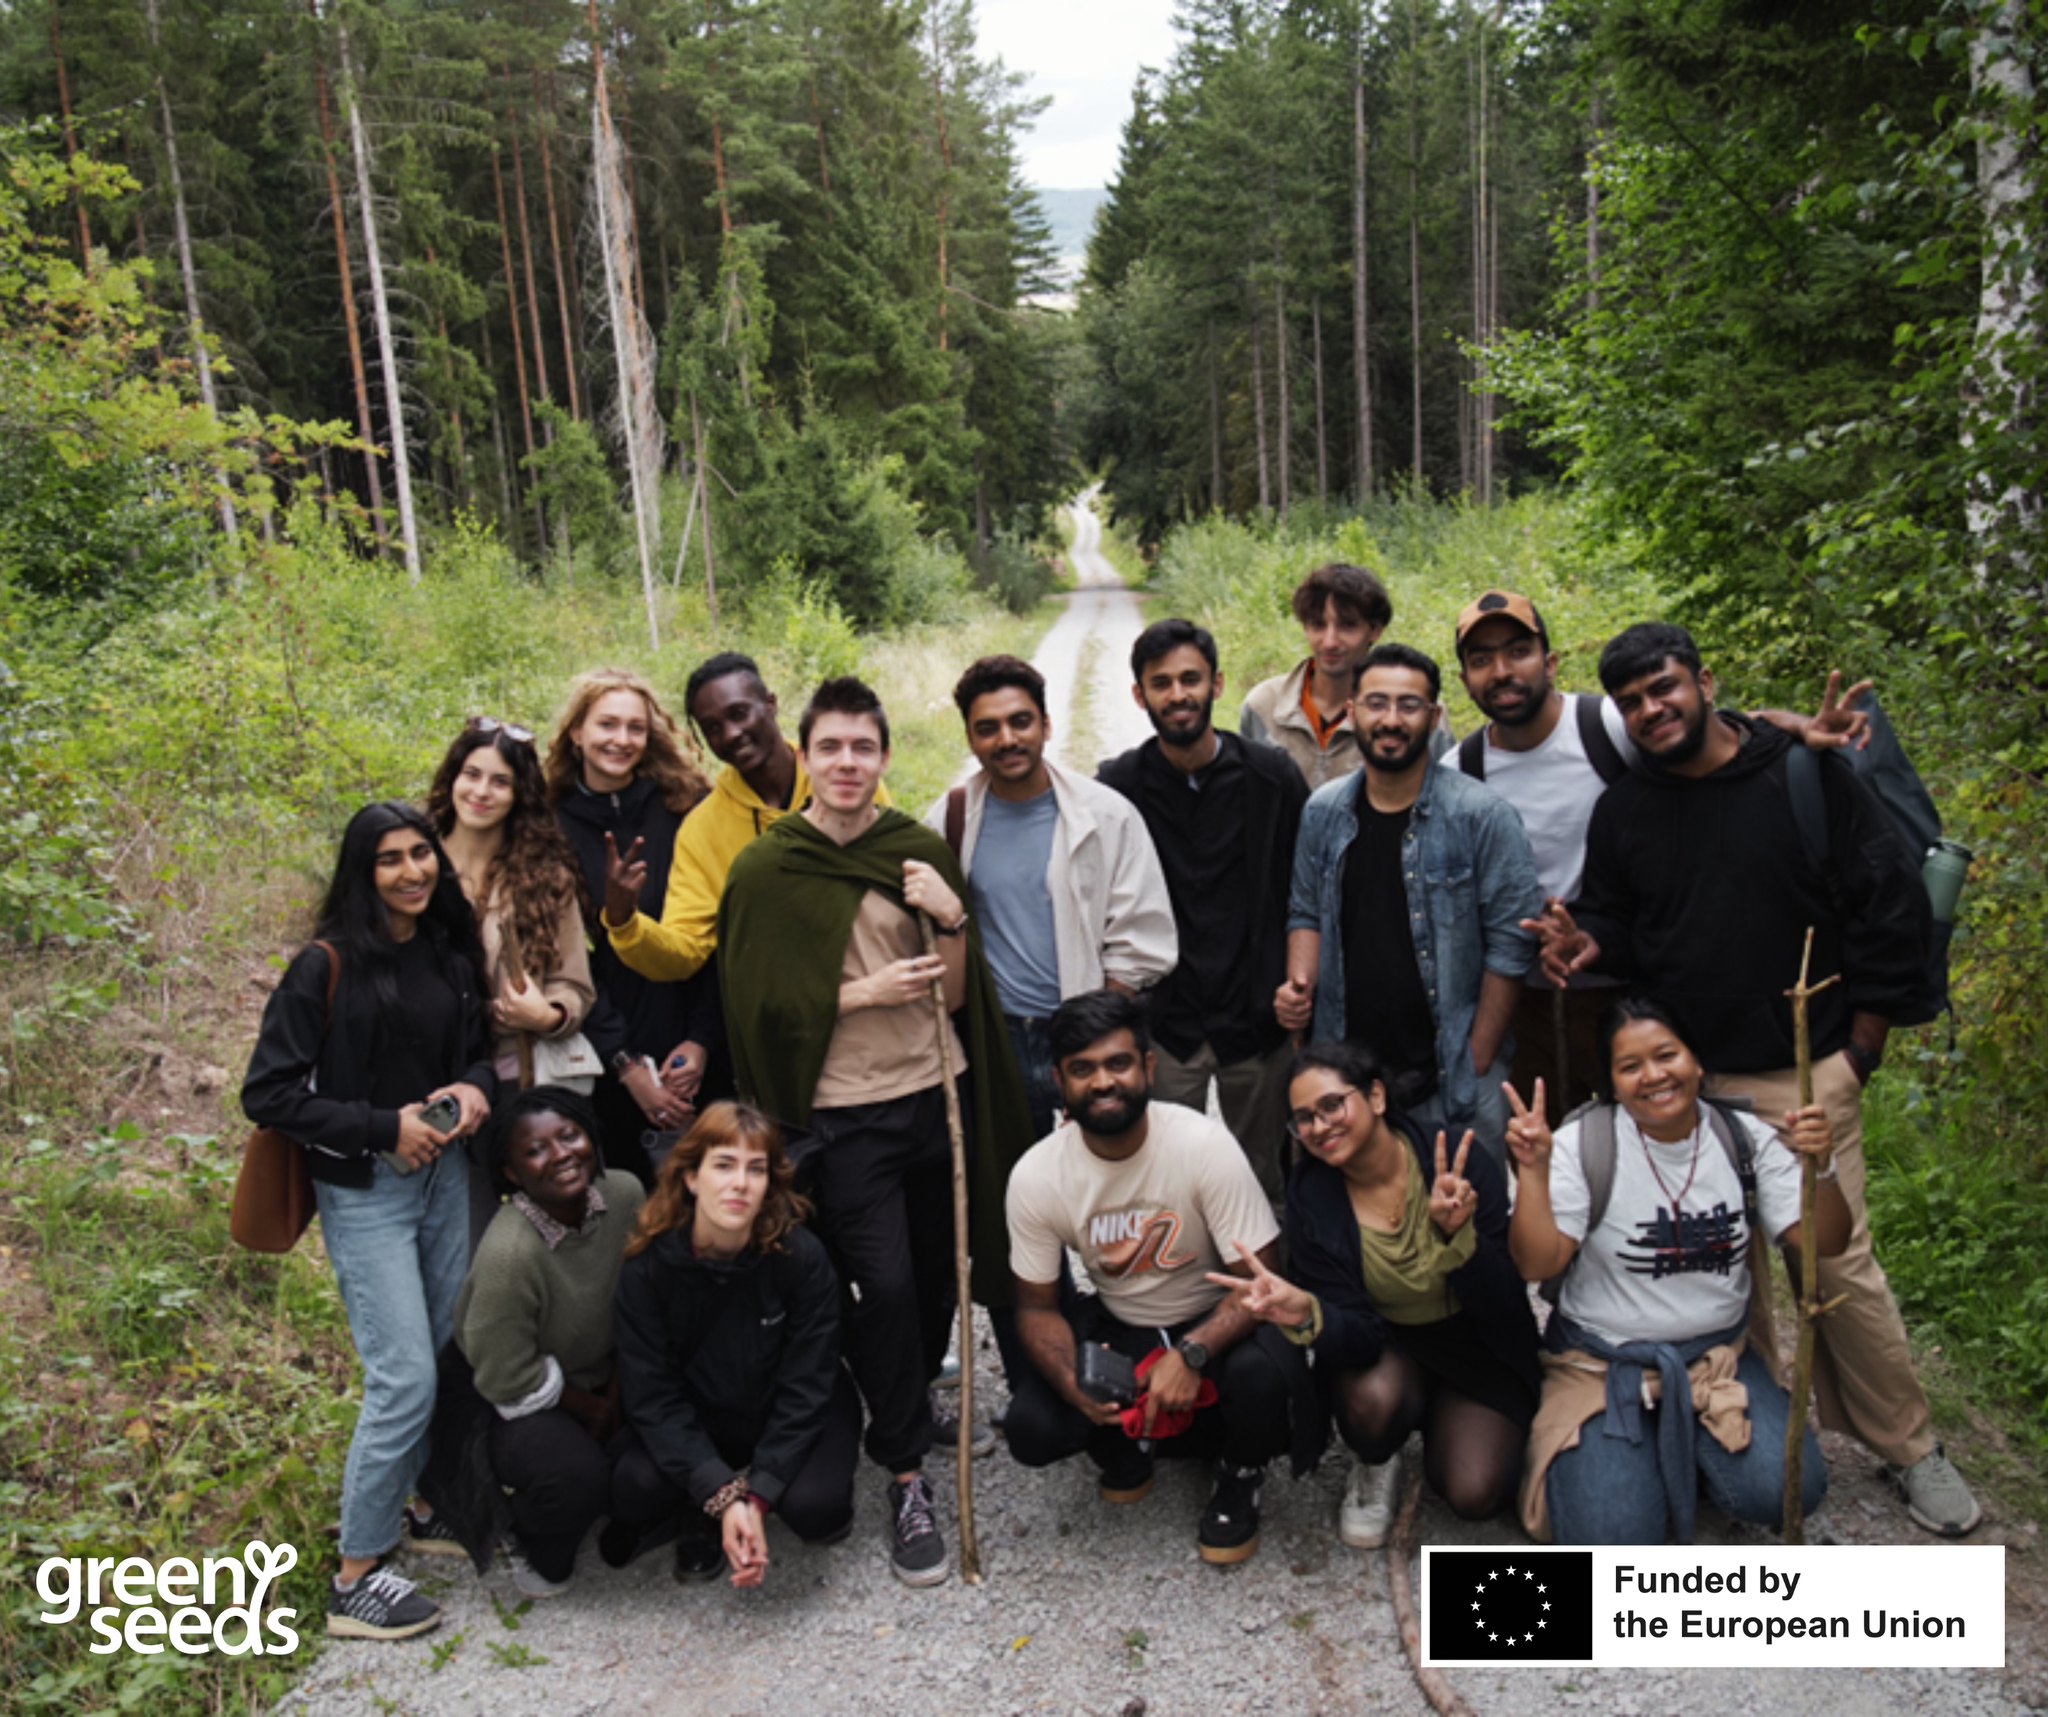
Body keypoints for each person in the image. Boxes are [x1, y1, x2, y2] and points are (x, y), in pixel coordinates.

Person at [1522, 621, 1979, 1537]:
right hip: (1689, 1081)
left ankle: (1911, 1447)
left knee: (1830, 1262)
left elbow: (1886, 905)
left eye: (1667, 688)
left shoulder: (1803, 776)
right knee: (1735, 1278)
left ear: (1704, 682)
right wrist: (1588, 940)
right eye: (1635, 700)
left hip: (1801, 1069)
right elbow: (1621, 914)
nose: (1655, 709)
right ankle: (1740, 1424)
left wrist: (1861, 1053)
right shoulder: (1631, 810)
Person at [717, 676, 1032, 1587]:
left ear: (884, 758)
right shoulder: (769, 868)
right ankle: (903, 1471)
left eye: (863, 748)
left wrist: (951, 913)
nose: (847, 763)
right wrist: (855, 993)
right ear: (805, 758)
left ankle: (901, 1397)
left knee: (940, 1274)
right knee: (885, 1285)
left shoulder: (913, 848)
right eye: (831, 749)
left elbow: (963, 992)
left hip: (936, 1097)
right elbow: (751, 1007)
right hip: (845, 1114)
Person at [1445, 589, 1872, 1121]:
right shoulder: (1461, 768)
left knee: (1643, 1150)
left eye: (1518, 652)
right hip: (1525, 999)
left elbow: (1698, 729)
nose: (1502, 671)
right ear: (1464, 682)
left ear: (1550, 663)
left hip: (1632, 993)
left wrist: (1790, 725)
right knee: (1543, 1155)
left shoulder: (1604, 726)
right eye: (1481, 660)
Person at [241, 802, 495, 1641]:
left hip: (444, 1177)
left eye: (422, 853)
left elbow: (477, 1052)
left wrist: (470, 1090)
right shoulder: (324, 965)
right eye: (390, 860)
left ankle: (421, 1504)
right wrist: (385, 1126)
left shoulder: (450, 952)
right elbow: (268, 1092)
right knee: (403, 1376)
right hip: (367, 1191)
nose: (413, 872)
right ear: (362, 871)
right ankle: (357, 1571)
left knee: (441, 1345)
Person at [1505, 998, 1848, 1544]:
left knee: (1787, 1490)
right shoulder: (1584, 1144)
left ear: (1696, 1062)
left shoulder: (1741, 1138)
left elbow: (1823, 1241)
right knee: (1612, 1534)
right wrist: (1534, 1173)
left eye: (1667, 1055)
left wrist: (1821, 1165)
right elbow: (1536, 1263)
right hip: (1603, 1366)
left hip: (1718, 1362)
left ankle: (1676, 1445)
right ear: (1612, 1083)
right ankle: (1639, 1454)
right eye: (1630, 1066)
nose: (1654, 1076)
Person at [1003, 990, 1313, 1567]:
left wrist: (1193, 1353)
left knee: (1265, 1381)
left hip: (1213, 1323)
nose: (1102, 1083)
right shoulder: (1036, 1175)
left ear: (1147, 1067)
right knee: (1032, 1425)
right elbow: (1037, 1308)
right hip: (1126, 1327)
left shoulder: (1200, 1144)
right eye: (1082, 1070)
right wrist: (1073, 1381)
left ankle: (1239, 1471)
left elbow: (1264, 1280)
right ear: (1059, 1082)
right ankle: (1127, 1444)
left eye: (1118, 1063)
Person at [1211, 1042, 1538, 1552]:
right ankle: (1377, 1460)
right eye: (1303, 1119)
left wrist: (1460, 1240)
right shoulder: (1313, 1192)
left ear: (1377, 1097)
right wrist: (1311, 1313)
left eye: (1331, 1106)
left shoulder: (1456, 1158)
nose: (1319, 1127)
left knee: (1476, 1494)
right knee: (1371, 1406)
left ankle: (1440, 1418)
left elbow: (1506, 1303)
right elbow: (1355, 1332)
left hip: (1476, 1345)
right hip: (1387, 1343)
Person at [1278, 644, 1542, 1168]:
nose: (1391, 720)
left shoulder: (1482, 817)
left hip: (1452, 1075)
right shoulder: (1324, 812)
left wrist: (1478, 1054)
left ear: (1434, 716)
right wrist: (1298, 989)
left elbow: (1513, 945)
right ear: (1353, 712)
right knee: (1358, 1231)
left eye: (1408, 705)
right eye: (1376, 703)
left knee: (1465, 1227)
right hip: (1347, 1075)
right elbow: (1306, 911)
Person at [1098, 619, 1309, 1200]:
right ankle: (1179, 1291)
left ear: (1216, 685)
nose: (1177, 695)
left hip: (1257, 1018)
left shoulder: (1271, 778)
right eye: (1160, 683)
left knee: (1263, 1180)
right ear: (1140, 696)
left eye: (1190, 679)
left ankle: (1266, 1287)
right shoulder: (1117, 788)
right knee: (1164, 1180)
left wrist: (1297, 987)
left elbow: (1306, 894)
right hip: (1167, 1022)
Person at [611, 1102, 861, 1588]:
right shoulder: (648, 1269)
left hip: (784, 1403)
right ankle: (702, 1509)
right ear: (690, 1178)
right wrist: (721, 1492)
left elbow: (808, 1383)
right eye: (723, 1165)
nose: (740, 1183)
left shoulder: (801, 1258)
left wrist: (760, 1495)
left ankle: (743, 1505)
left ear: (771, 1183)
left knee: (817, 1509)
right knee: (634, 1488)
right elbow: (653, 1394)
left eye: (756, 1169)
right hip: (702, 1412)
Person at [933, 653, 1177, 1136]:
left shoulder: (1106, 816)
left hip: (1082, 1031)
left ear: (1046, 725)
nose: (1007, 739)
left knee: (1104, 1168)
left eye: (1020, 722)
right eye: (988, 728)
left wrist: (1095, 1038)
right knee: (1020, 1179)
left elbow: (1141, 937)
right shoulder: (952, 817)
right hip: (997, 1035)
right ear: (970, 739)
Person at [454, 1086, 646, 1596]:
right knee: (573, 1481)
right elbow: (505, 1376)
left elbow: (643, 1300)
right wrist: (595, 1410)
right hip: (522, 1399)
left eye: (569, 1135)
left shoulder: (625, 1193)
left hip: (608, 1373)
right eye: (536, 1150)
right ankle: (524, 1533)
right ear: (512, 1174)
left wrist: (620, 1393)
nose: (560, 1154)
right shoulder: (510, 1256)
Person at [602, 651, 890, 987]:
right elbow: (685, 951)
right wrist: (625, 921)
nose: (731, 734)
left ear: (770, 703)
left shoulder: (843, 777)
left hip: (874, 983)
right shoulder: (703, 830)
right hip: (779, 1008)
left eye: (739, 714)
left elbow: (891, 876)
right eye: (712, 728)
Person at [544, 668, 718, 1176]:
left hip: (698, 1041)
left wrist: (703, 1040)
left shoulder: (686, 808)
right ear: (577, 732)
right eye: (606, 725)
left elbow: (715, 933)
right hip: (605, 1055)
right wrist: (625, 1066)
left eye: (634, 728)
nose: (621, 740)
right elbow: (567, 960)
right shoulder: (550, 827)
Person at [427, 719, 596, 1231]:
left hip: (511, 1082)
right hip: (424, 1083)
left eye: (499, 781)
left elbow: (575, 983)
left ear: (520, 794)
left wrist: (547, 1014)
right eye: (471, 774)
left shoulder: (545, 876)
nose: (481, 791)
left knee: (535, 1231)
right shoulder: (412, 862)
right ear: (452, 777)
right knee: (444, 1235)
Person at [1238, 562, 1452, 789]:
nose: (1330, 642)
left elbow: (1445, 796)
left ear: (1375, 630)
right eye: (1318, 625)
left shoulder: (1416, 712)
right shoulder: (1263, 706)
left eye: (1347, 626)